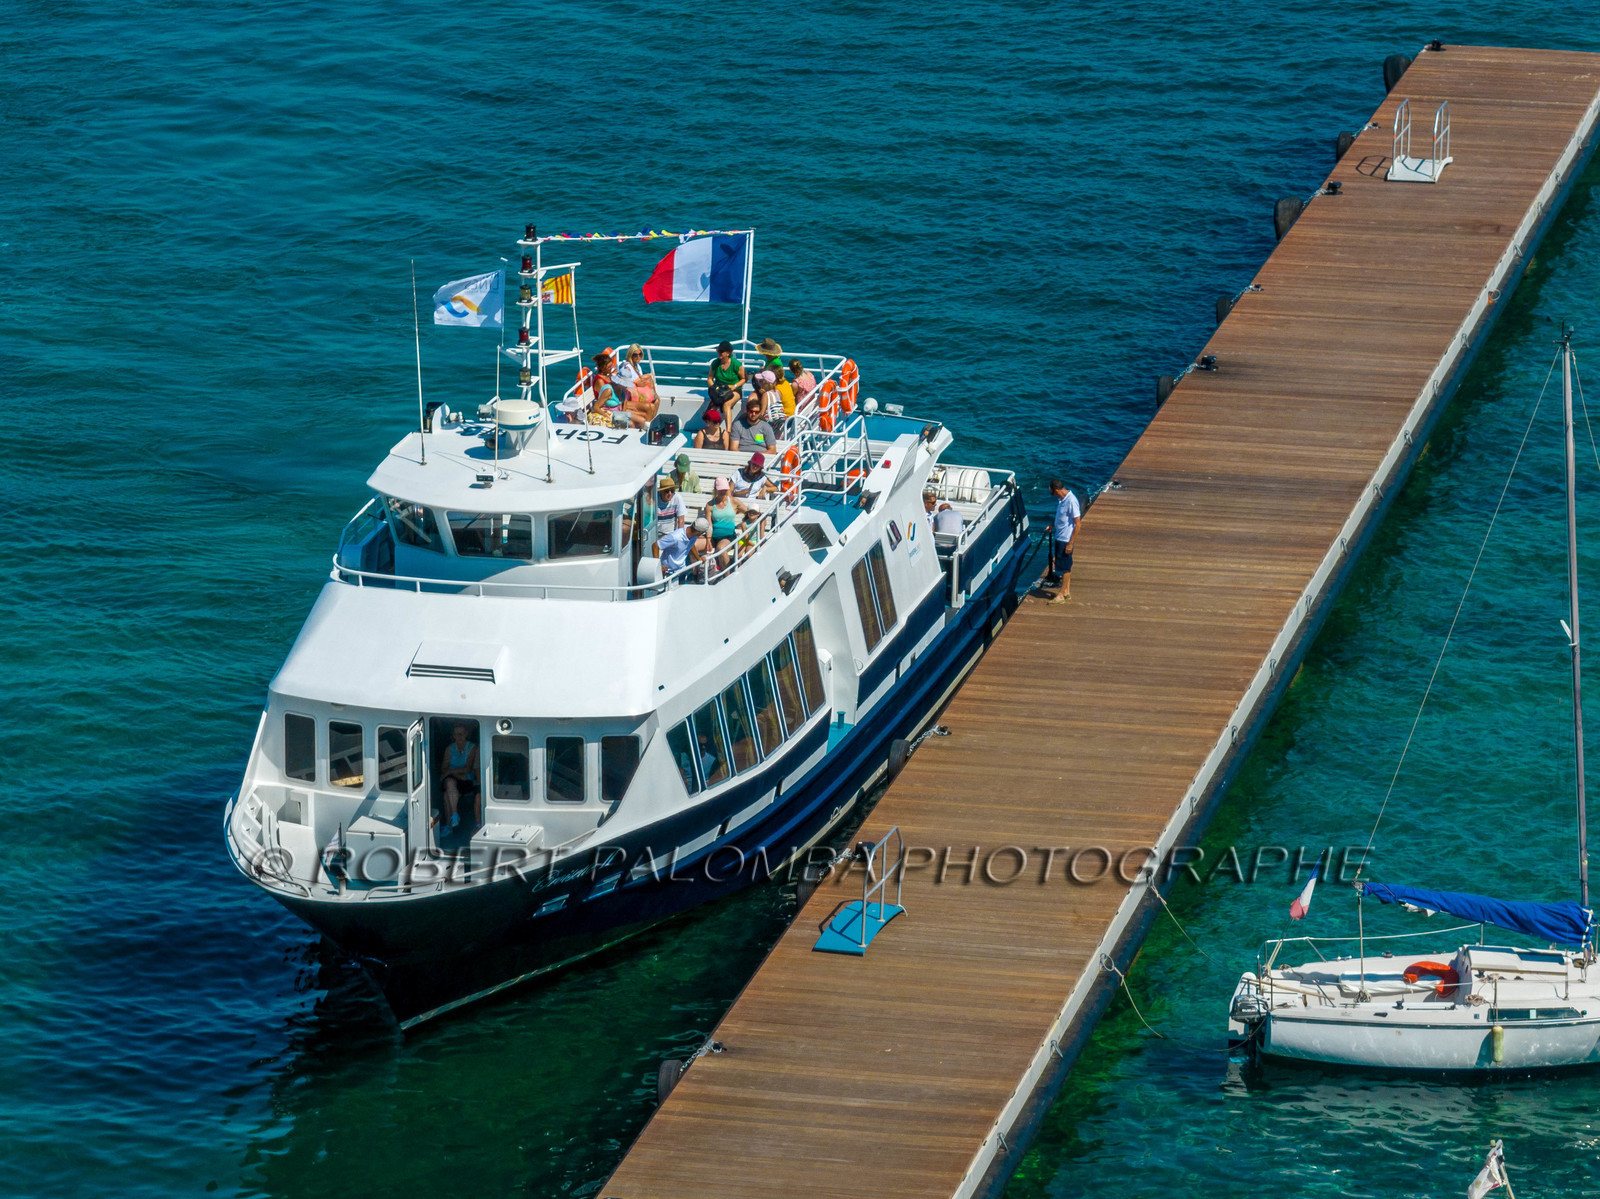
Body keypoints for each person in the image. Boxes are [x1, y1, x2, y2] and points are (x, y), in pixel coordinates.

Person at [438, 722, 479, 834]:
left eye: (462, 734)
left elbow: (468, 768)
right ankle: (454, 815)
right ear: (453, 736)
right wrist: (456, 774)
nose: (459, 737)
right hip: (453, 778)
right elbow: (443, 768)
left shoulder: (472, 747)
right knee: (449, 783)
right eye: (456, 734)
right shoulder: (449, 749)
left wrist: (451, 771)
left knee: (447, 794)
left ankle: (449, 824)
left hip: (467, 780)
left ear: (466, 734)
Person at [1045, 478, 1081, 603]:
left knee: (1066, 567)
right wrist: (1052, 525)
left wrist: (1070, 543)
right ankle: (1066, 592)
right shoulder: (1062, 500)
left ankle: (1060, 595)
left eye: (1052, 493)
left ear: (1056, 491)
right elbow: (1061, 517)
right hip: (1059, 537)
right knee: (1061, 563)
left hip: (1065, 538)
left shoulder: (1071, 501)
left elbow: (1078, 524)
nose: (1053, 495)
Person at [705, 478, 753, 571]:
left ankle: (727, 575)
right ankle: (694, 574)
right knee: (694, 544)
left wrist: (744, 523)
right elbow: (709, 524)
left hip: (728, 537)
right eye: (720, 490)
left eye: (725, 489)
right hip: (713, 537)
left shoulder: (734, 501)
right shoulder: (710, 505)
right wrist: (708, 539)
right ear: (716, 489)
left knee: (721, 548)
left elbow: (749, 513)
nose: (723, 492)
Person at [614, 344, 660, 426]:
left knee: (657, 400)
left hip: (637, 394)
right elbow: (624, 384)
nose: (638, 357)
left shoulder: (637, 366)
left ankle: (650, 424)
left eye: (640, 354)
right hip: (630, 397)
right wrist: (636, 382)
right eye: (635, 355)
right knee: (650, 407)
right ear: (630, 355)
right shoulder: (626, 368)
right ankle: (647, 426)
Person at [707, 340, 745, 423]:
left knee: (726, 404)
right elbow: (710, 378)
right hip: (719, 389)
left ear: (728, 353)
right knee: (711, 410)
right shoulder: (715, 363)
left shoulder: (736, 364)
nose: (719, 353)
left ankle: (728, 429)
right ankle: (712, 427)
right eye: (718, 351)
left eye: (721, 351)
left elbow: (743, 379)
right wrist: (713, 388)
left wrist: (734, 386)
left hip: (734, 389)